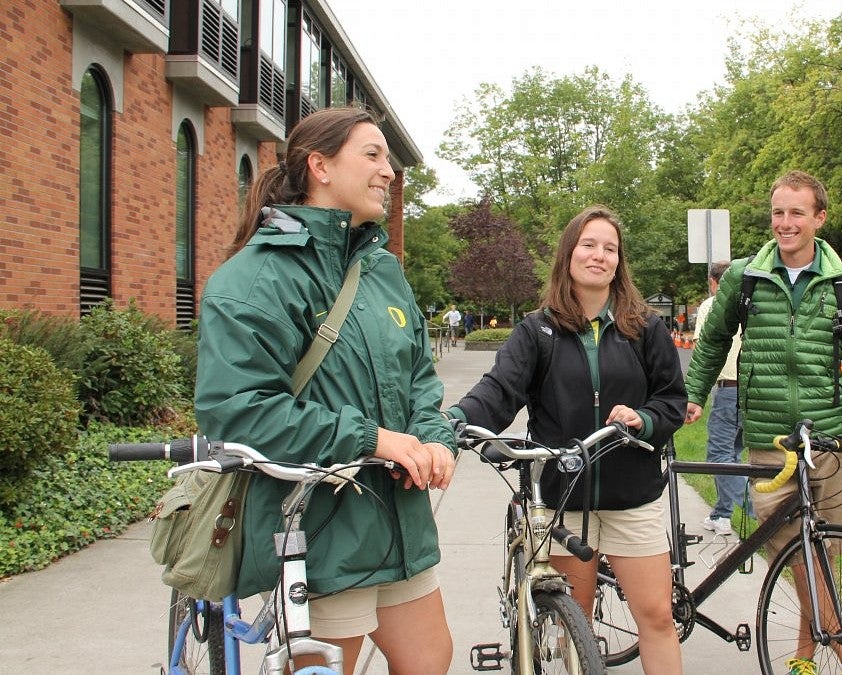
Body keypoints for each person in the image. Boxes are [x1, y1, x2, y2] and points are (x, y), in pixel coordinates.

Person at [194, 107, 456, 674]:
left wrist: (434, 439)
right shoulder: (256, 278)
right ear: (320, 166)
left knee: (431, 660)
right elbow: (237, 409)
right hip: (320, 525)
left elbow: (417, 378)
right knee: (327, 668)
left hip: (400, 522)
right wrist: (371, 438)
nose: (389, 171)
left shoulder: (382, 269)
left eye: (388, 158)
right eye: (372, 154)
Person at [447, 205, 687, 675]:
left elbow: (671, 401)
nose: (599, 255)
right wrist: (454, 421)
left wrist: (643, 419)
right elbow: (499, 390)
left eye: (610, 248)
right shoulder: (537, 330)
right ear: (569, 254)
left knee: (656, 616)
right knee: (571, 621)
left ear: (619, 262)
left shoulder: (645, 327)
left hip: (632, 495)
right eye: (589, 244)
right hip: (565, 499)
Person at [684, 170, 842, 675]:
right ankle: (840, 648)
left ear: (819, 217)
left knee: (825, 552)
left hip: (831, 438)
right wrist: (692, 395)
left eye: (797, 212)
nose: (785, 222)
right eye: (778, 212)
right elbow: (713, 340)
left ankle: (802, 657)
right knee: (796, 553)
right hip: (771, 440)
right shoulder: (745, 277)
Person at [692, 260, 754, 536]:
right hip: (754, 391)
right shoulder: (751, 301)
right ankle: (722, 515)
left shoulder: (712, 305)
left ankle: (762, 509)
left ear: (713, 282)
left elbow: (702, 350)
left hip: (729, 388)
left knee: (718, 455)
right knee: (734, 454)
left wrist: (696, 394)